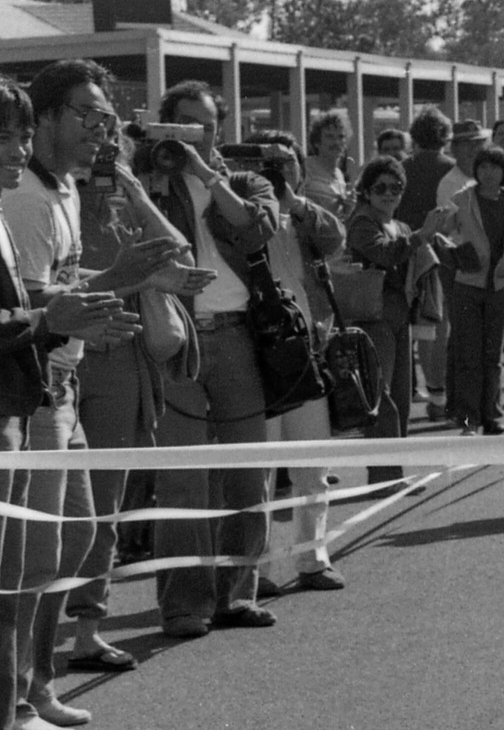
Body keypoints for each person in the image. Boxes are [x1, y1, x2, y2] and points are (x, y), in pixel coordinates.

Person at [0, 76, 140, 730]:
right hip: (34, 387)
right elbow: (28, 303)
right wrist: (106, 290)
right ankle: (18, 701)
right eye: (86, 114)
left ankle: (37, 683)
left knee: (72, 538)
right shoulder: (21, 195)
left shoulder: (65, 188)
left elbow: (63, 289)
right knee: (26, 558)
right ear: (48, 112)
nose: (99, 129)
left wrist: (120, 284)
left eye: (106, 117)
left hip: (65, 379)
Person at [65, 119, 206, 667]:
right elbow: (67, 279)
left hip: (126, 363)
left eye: (110, 150)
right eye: (93, 150)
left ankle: (86, 631)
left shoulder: (125, 208)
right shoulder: (54, 202)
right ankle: (53, 632)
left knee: (105, 507)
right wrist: (141, 281)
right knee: (71, 509)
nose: (100, 158)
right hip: (77, 360)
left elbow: (181, 257)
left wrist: (138, 192)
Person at [145, 82, 281, 637]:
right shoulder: (147, 177)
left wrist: (205, 170)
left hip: (234, 336)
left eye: (203, 125)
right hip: (175, 337)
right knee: (183, 478)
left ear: (219, 130)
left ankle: (237, 595)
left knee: (249, 473)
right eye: (181, 123)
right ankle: (184, 604)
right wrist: (149, 168)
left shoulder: (245, 180)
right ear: (163, 124)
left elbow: (256, 229)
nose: (191, 135)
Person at [250, 137, 347, 593]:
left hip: (306, 345)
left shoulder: (301, 213)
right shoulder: (239, 207)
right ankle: (262, 568)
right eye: (266, 165)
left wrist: (295, 202)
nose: (276, 173)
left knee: (312, 460)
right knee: (263, 465)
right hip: (258, 348)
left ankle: (313, 557)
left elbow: (334, 240)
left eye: (284, 164)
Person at [427, 147, 504, 434]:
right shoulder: (462, 199)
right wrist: (455, 251)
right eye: (483, 167)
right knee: (467, 356)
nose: (489, 173)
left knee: (493, 357)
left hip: (500, 288)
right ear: (476, 171)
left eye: (495, 167)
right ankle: (467, 420)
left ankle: (490, 416)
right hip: (467, 287)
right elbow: (441, 233)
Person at [345, 155, 431, 449]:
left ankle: (397, 467)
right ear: (366, 192)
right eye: (380, 188)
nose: (389, 194)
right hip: (374, 316)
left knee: (402, 397)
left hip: (399, 315)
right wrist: (424, 235)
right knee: (381, 398)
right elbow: (384, 253)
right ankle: (385, 473)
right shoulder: (361, 222)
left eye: (396, 188)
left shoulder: (401, 226)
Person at [398, 107, 456, 421]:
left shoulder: (401, 167)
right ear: (444, 136)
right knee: (438, 325)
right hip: (440, 252)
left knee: (413, 326)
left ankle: (410, 389)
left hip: (407, 248)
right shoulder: (452, 168)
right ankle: (438, 395)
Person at [303, 111, 352, 218]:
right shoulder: (306, 168)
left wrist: (348, 208)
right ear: (317, 142)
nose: (336, 142)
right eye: (329, 137)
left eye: (341, 137)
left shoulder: (340, 175)